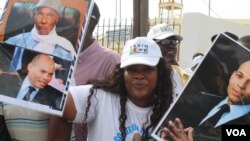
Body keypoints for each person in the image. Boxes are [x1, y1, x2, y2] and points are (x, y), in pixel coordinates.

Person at [47, 37, 176, 141]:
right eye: (131, 69)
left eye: (148, 69)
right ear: (122, 72)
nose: (139, 76)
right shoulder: (99, 98)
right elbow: (59, 100)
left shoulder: (171, 113)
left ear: (159, 72)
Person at [48, 3, 121, 141]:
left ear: (91, 23)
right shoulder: (50, 56)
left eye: (68, 18)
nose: (60, 24)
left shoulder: (110, 61)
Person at [0, 54, 63, 141]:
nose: (46, 78)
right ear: (30, 67)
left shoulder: (57, 97)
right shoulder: (4, 81)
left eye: (50, 74)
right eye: (43, 71)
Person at [5, 0, 76, 72]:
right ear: (34, 16)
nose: (43, 21)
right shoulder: (15, 41)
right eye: (40, 14)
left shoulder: (65, 48)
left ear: (56, 19)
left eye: (50, 15)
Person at [147, 23, 189, 99]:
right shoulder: (144, 76)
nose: (171, 45)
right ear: (151, 45)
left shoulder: (181, 74)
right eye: (165, 42)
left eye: (174, 42)